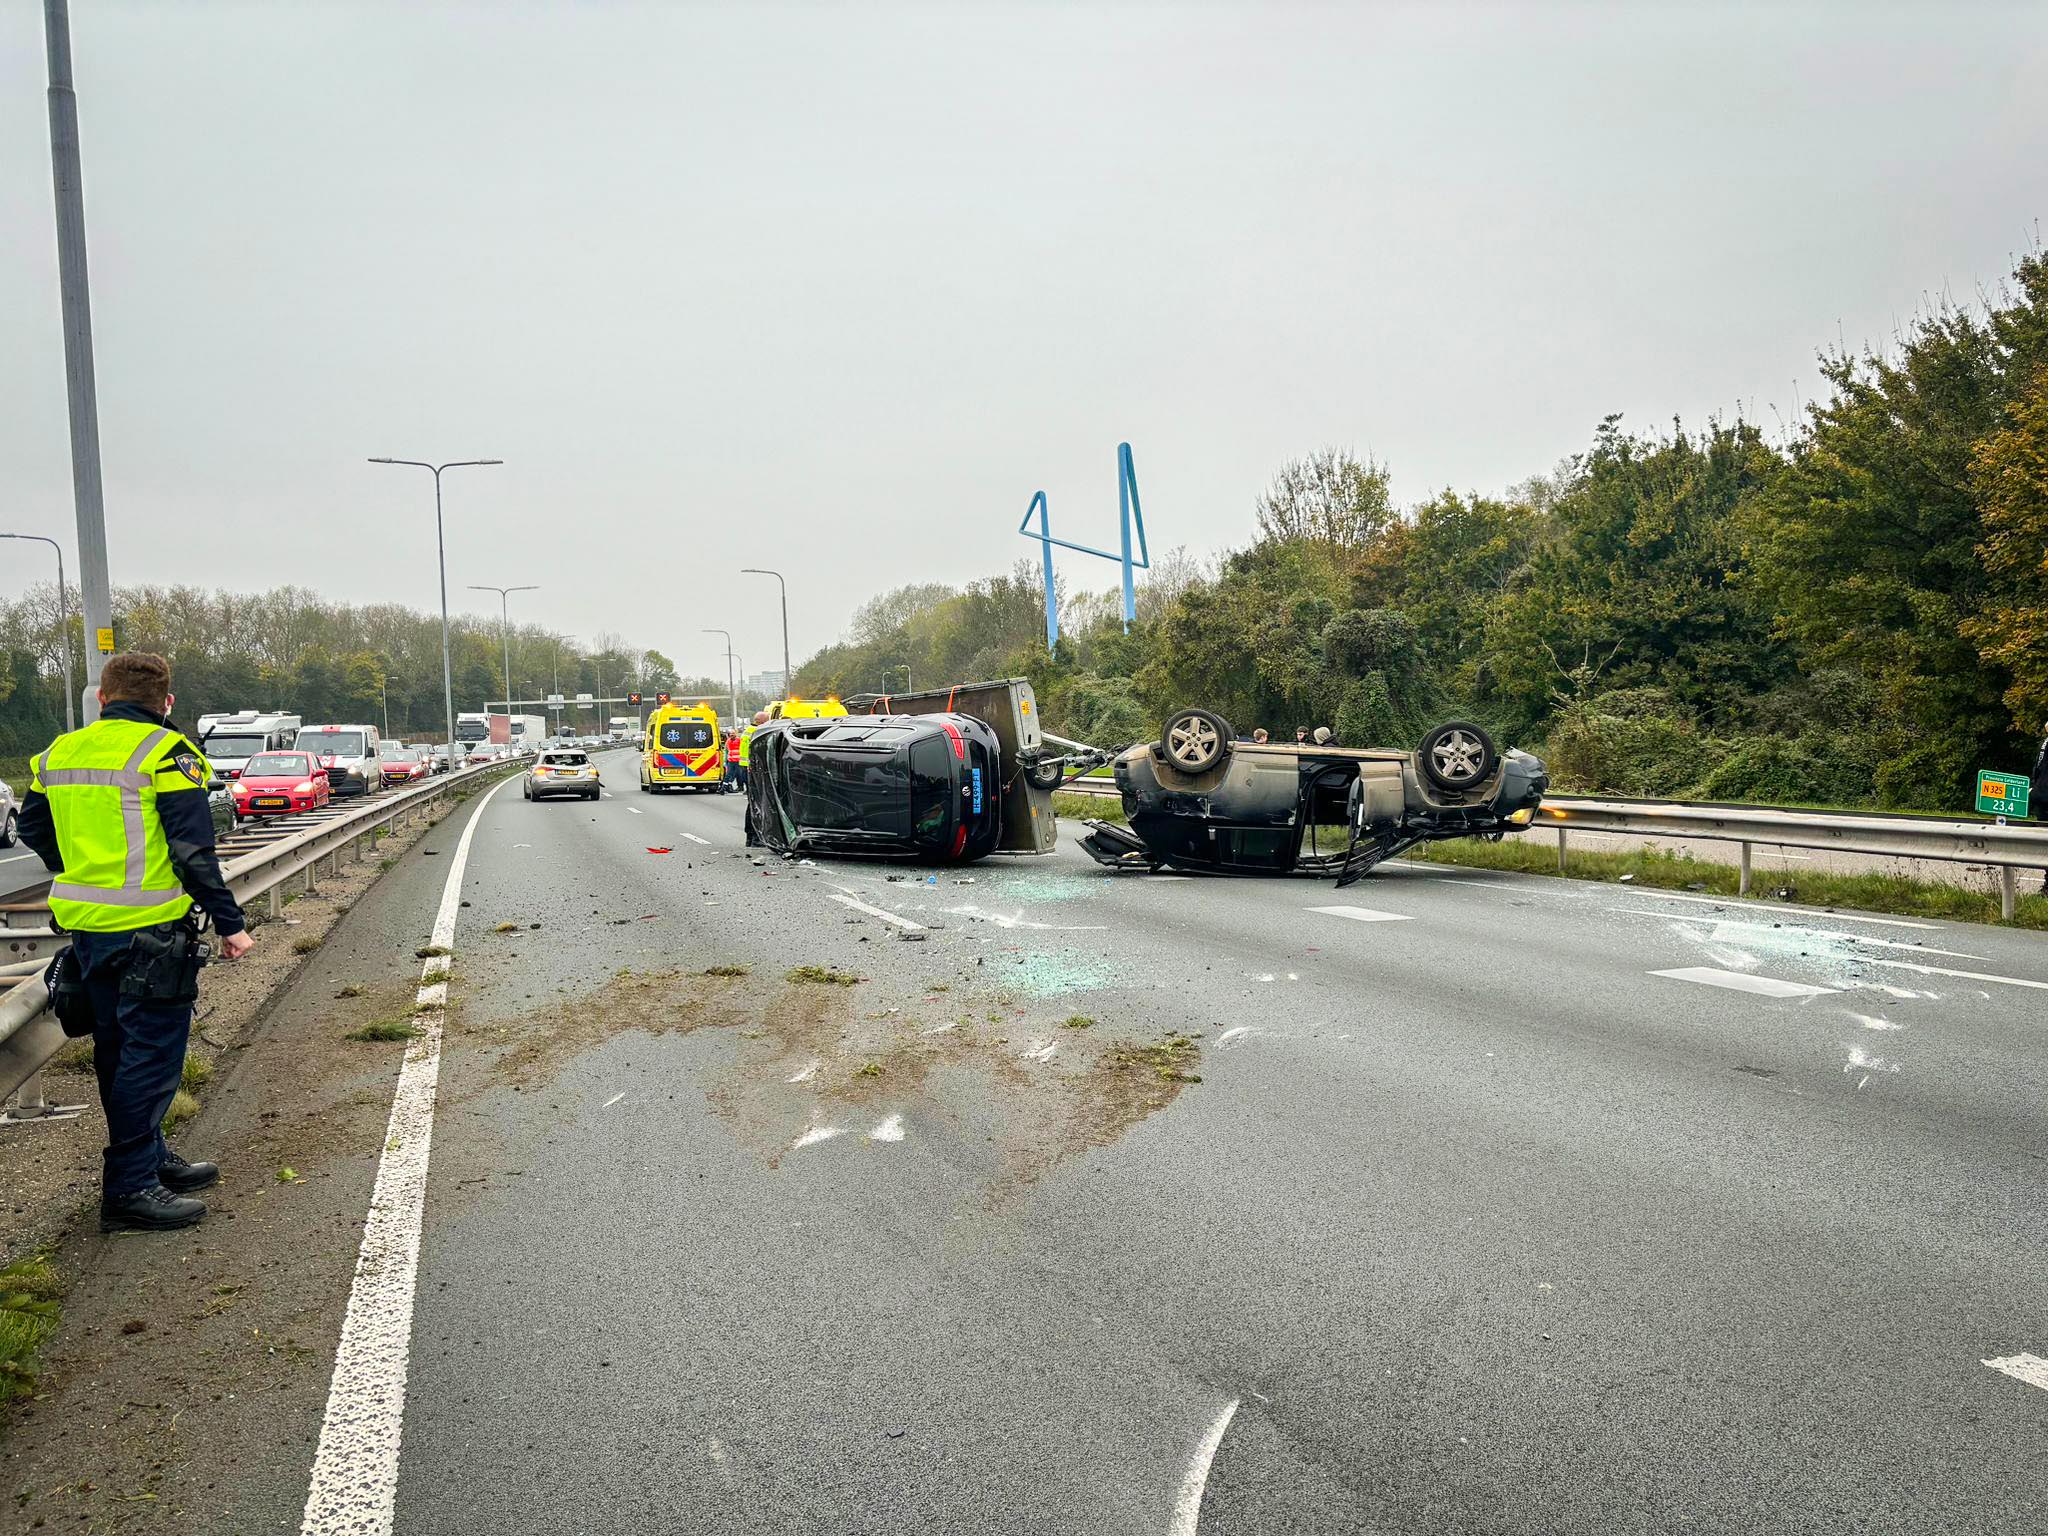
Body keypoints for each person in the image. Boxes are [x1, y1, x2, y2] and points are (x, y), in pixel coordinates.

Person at [18, 653, 254, 1233]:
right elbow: (194, 851)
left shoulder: (58, 753)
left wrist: (78, 869)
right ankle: (129, 1189)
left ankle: (149, 1159)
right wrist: (230, 923)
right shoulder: (168, 753)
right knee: (150, 1059)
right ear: (165, 703)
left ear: (102, 697)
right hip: (151, 931)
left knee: (117, 1052)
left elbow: (31, 827)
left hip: (89, 933)